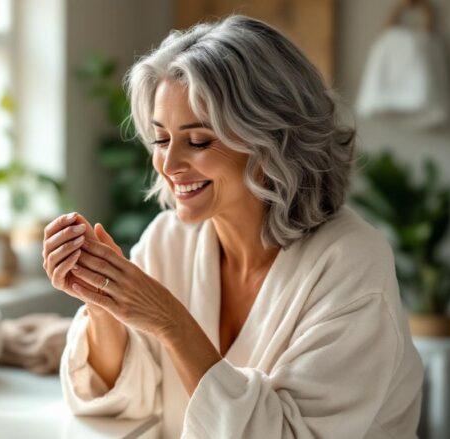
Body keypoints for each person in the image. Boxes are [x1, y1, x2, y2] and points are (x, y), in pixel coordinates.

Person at [42, 15, 423, 439]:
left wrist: (171, 322)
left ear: (271, 142)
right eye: (162, 139)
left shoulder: (350, 264)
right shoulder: (168, 241)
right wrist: (103, 306)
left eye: (198, 141)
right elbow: (127, 403)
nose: (169, 164)